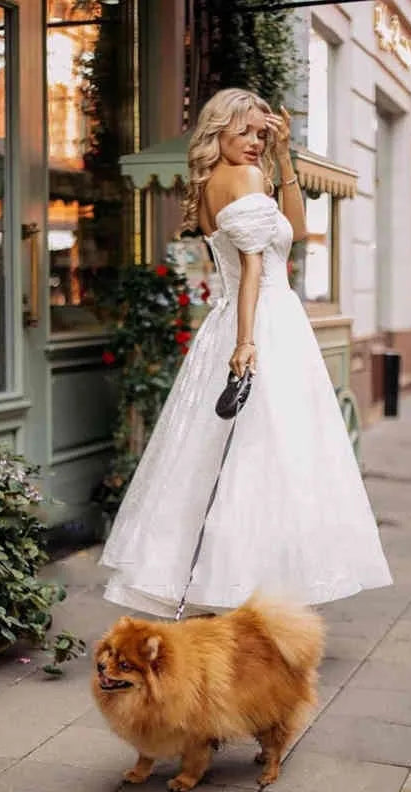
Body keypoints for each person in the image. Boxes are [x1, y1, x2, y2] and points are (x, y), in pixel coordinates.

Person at [100, 88, 392, 617]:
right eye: (248, 132)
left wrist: (284, 157)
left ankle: (221, 586)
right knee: (269, 457)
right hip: (262, 324)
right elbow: (257, 266)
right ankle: (250, 589)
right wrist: (248, 342)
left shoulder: (215, 181)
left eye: (264, 133)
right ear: (221, 130)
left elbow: (296, 230)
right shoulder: (247, 179)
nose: (257, 142)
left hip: (236, 319)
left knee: (221, 457)